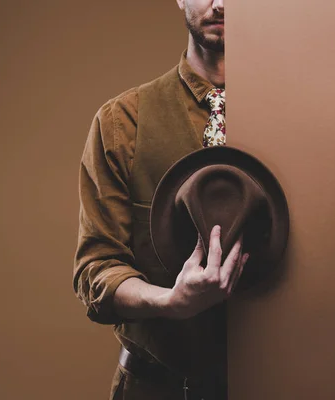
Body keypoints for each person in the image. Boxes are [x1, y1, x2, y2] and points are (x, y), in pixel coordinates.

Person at [73, 1, 248, 398]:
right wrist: (170, 301)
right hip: (156, 387)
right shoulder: (122, 122)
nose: (220, 3)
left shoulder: (300, 118)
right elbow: (96, 269)